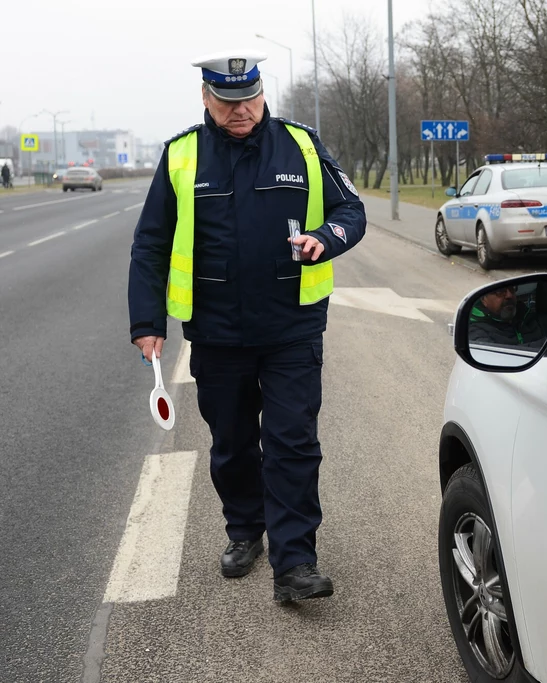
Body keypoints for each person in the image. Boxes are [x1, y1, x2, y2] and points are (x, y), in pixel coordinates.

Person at [128, 50, 366, 603]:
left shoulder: (301, 145)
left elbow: (351, 210)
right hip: (217, 333)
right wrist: (148, 321)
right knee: (232, 444)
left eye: (250, 100)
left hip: (291, 327)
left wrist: (324, 239)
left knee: (292, 443)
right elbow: (151, 244)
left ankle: (296, 561)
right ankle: (244, 529)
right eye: (228, 103)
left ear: (263, 94)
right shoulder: (182, 155)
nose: (241, 112)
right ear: (207, 101)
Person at [468, 285, 547, 348]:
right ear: (484, 300)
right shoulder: (476, 331)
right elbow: (498, 358)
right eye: (500, 291)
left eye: (512, 289)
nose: (509, 295)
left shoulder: (528, 315)